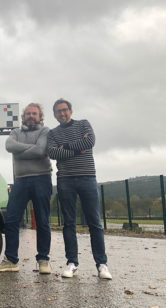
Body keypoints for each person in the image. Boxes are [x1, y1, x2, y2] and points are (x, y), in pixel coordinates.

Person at [47, 98, 112, 280]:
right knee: (69, 223)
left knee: (95, 223)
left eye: (65, 110)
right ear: (54, 114)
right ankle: (72, 263)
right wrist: (77, 149)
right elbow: (53, 153)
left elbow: (90, 142)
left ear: (71, 111)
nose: (62, 113)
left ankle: (101, 264)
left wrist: (66, 147)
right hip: (65, 180)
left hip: (87, 177)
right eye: (59, 111)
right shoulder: (52, 133)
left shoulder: (84, 124)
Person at [0, 103, 52, 274]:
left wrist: (20, 152)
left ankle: (43, 260)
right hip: (20, 181)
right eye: (28, 114)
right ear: (23, 116)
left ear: (40, 116)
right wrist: (32, 150)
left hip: (42, 178)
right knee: (11, 219)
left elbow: (41, 150)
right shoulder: (15, 132)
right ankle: (11, 260)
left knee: (42, 221)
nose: (31, 116)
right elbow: (9, 146)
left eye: (34, 113)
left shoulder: (45, 131)